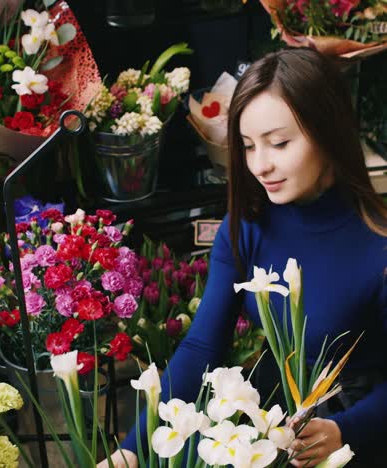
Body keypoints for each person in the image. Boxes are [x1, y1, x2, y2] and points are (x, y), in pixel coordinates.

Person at [98, 47, 387, 467]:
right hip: (269, 415)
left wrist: (346, 429)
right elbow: (201, 345)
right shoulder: (250, 223)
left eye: (279, 143)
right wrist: (130, 450)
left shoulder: (378, 244)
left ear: (329, 132)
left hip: (354, 429)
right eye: (248, 146)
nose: (260, 165)